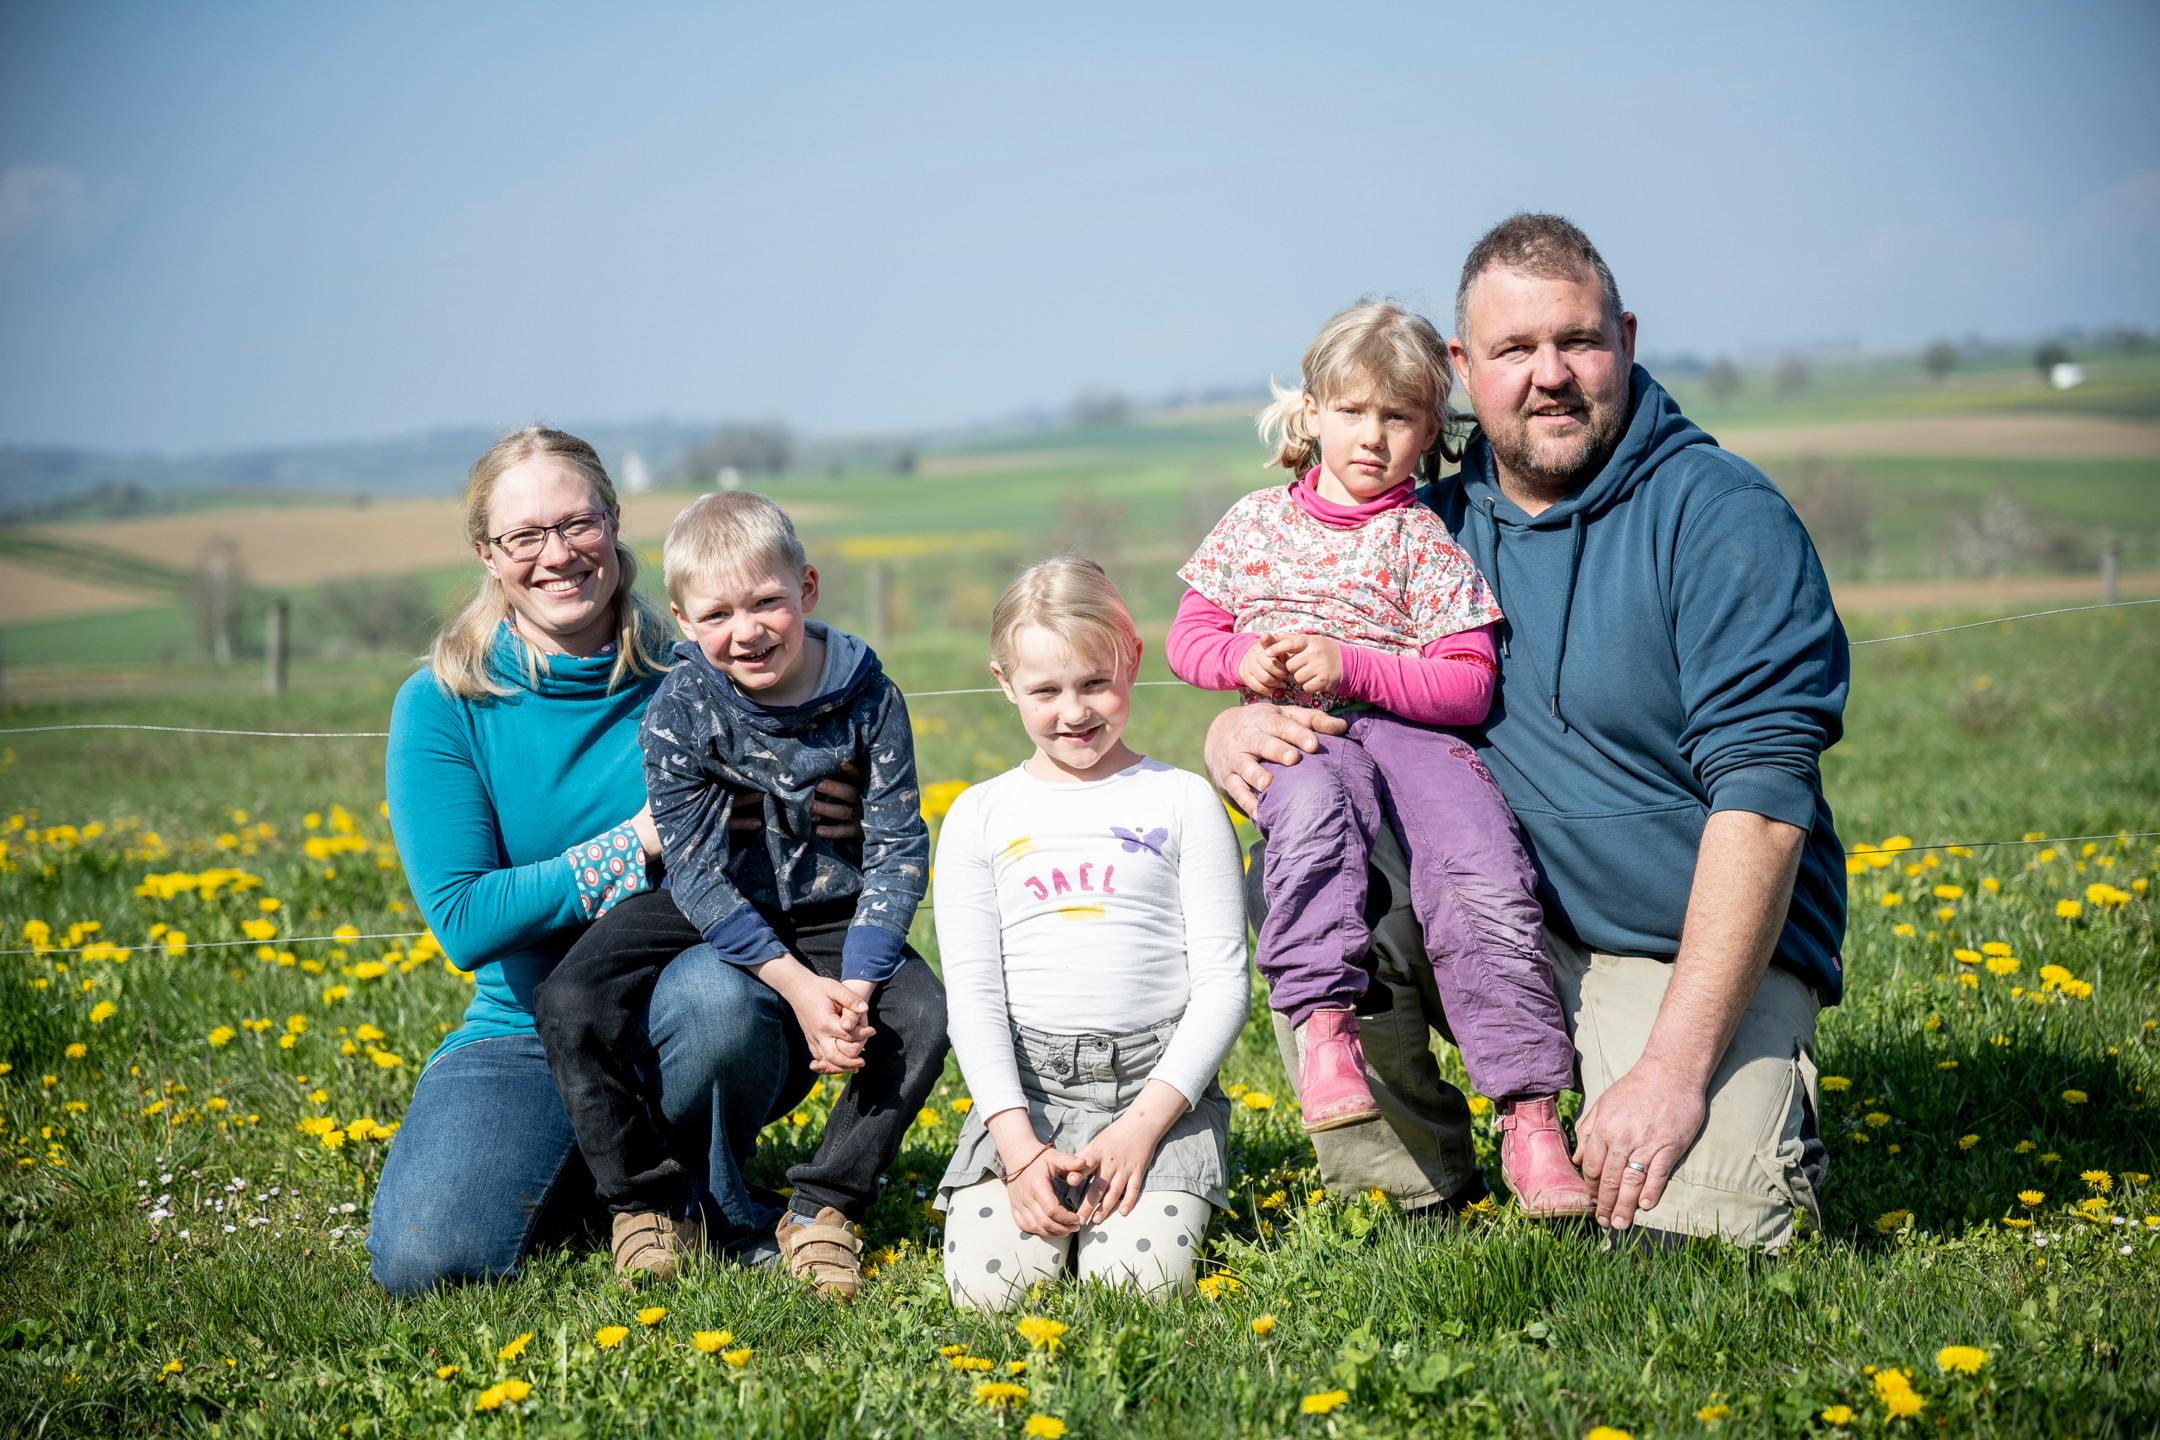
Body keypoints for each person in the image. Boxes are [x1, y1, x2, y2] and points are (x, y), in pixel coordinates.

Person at [1207, 214, 1849, 1249]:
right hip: (1491, 920)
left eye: (1578, 341)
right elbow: (1291, 654)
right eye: (1514, 350)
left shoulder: (1723, 517)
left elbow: (1767, 814)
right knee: (1316, 843)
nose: (1550, 374)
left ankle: (1699, 1101)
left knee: (1700, 1240)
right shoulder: (1417, 530)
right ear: (1463, 370)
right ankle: (1409, 1188)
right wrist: (1234, 733)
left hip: (1675, 951)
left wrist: (1675, 1076)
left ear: (1627, 340)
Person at [367, 428, 856, 1295]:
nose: (557, 555)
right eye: (525, 536)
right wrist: (635, 843)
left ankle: (703, 1199)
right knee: (427, 1262)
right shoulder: (443, 704)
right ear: (488, 553)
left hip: (686, 997)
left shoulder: (702, 668)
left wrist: (832, 811)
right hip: (523, 1026)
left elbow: (788, 836)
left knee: (717, 1001)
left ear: (614, 523)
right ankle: (618, 1188)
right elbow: (467, 920)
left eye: (577, 524)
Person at [1166, 301, 1590, 1218]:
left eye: (1398, 418)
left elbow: (1468, 684)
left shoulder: (1424, 542)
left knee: (1482, 870)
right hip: (1305, 737)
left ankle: (1529, 1117)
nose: (1372, 438)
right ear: (1310, 412)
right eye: (1352, 412)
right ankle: (1326, 1034)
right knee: (1312, 823)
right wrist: (1241, 661)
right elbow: (1189, 637)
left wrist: (1355, 665)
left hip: (1411, 737)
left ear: (1430, 431)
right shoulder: (1254, 526)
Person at [533, 490, 945, 1297]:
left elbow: (897, 845)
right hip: (707, 894)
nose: (747, 631)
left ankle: (824, 1207)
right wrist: (795, 987)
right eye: (717, 614)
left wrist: (856, 986)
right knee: (569, 997)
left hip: (833, 902)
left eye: (767, 603)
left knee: (923, 1016)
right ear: (684, 622)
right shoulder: (680, 706)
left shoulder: (871, 698)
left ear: (809, 591)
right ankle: (647, 1203)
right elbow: (688, 867)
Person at [931, 557, 1249, 1308]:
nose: (1073, 712)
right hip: (1027, 1090)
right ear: (1005, 682)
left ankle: (1154, 1175)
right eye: (1045, 690)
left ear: (1131, 661)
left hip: (1156, 1090)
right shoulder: (979, 814)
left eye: (1094, 684)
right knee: (992, 1295)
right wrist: (1016, 1148)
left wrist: (1141, 1130)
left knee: (1137, 1288)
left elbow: (1224, 986)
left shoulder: (1184, 801)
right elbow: (973, 997)